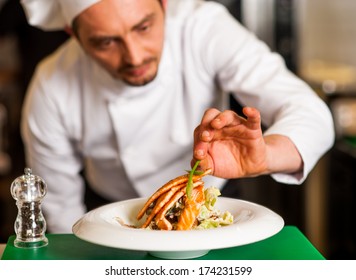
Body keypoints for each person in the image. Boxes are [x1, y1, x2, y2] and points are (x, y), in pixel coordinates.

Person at [20, 0, 334, 233]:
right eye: (106, 42)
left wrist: (266, 156)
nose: (135, 56)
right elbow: (59, 211)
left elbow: (310, 112)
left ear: (165, 4)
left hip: (211, 204)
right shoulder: (51, 85)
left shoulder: (203, 27)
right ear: (71, 32)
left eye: (143, 27)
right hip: (111, 216)